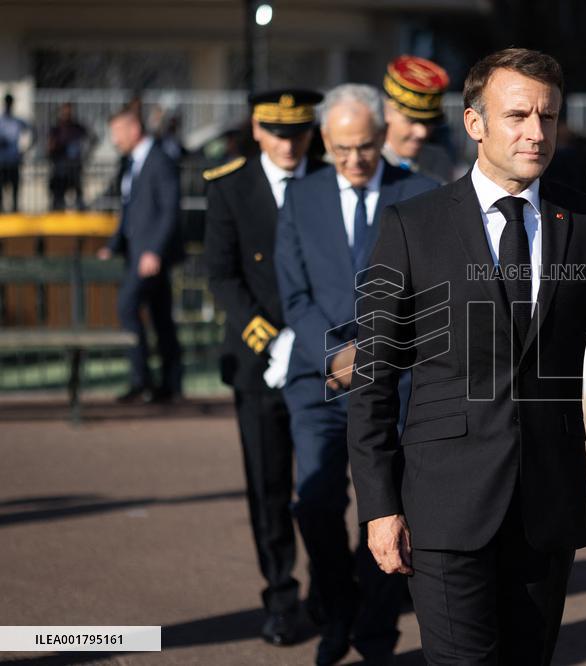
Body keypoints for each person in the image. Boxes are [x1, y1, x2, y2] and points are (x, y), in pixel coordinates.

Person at [347, 48, 586, 665]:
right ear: (475, 123)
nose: (536, 132)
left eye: (547, 117)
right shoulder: (413, 225)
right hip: (442, 505)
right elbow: (373, 379)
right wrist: (379, 504)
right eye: (517, 115)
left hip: (547, 505)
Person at [274, 83, 438, 666]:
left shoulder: (421, 193)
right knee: (315, 502)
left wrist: (376, 359)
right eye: (342, 149)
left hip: (396, 380)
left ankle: (374, 634)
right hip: (318, 380)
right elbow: (294, 295)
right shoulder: (301, 197)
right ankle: (338, 609)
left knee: (390, 509)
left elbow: (431, 294)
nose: (355, 160)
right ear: (324, 141)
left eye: (365, 146)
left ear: (382, 134)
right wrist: (336, 358)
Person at [203, 89, 326, 647]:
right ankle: (280, 596)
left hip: (322, 357)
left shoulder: (327, 178)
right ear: (256, 130)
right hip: (261, 363)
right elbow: (222, 275)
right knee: (268, 485)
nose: (288, 143)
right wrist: (268, 341)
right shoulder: (229, 186)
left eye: (298, 132)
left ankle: (328, 591)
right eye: (277, 131)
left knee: (326, 485)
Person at [97, 107, 184, 404]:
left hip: (150, 256)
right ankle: (169, 384)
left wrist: (154, 251)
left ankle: (142, 379)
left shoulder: (160, 161)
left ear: (134, 129)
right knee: (161, 317)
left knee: (127, 306)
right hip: (137, 253)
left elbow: (170, 211)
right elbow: (129, 210)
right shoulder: (130, 163)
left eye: (117, 133)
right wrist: (113, 244)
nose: (114, 140)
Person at [381, 55, 455, 184]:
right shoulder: (366, 162)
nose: (422, 132)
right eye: (412, 121)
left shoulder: (438, 161)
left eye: (429, 122)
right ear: (386, 113)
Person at [47, 102, 91, 211]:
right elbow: (49, 146)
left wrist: (86, 154)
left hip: (74, 168)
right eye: (64, 111)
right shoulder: (57, 128)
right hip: (60, 169)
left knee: (79, 199)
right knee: (58, 200)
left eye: (68, 111)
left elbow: (92, 138)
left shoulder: (76, 127)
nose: (66, 113)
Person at [0, 93, 32, 212]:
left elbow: (33, 131)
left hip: (14, 161)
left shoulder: (17, 121)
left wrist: (25, 150)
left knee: (15, 190)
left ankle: (15, 211)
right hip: (2, 162)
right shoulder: (1, 121)